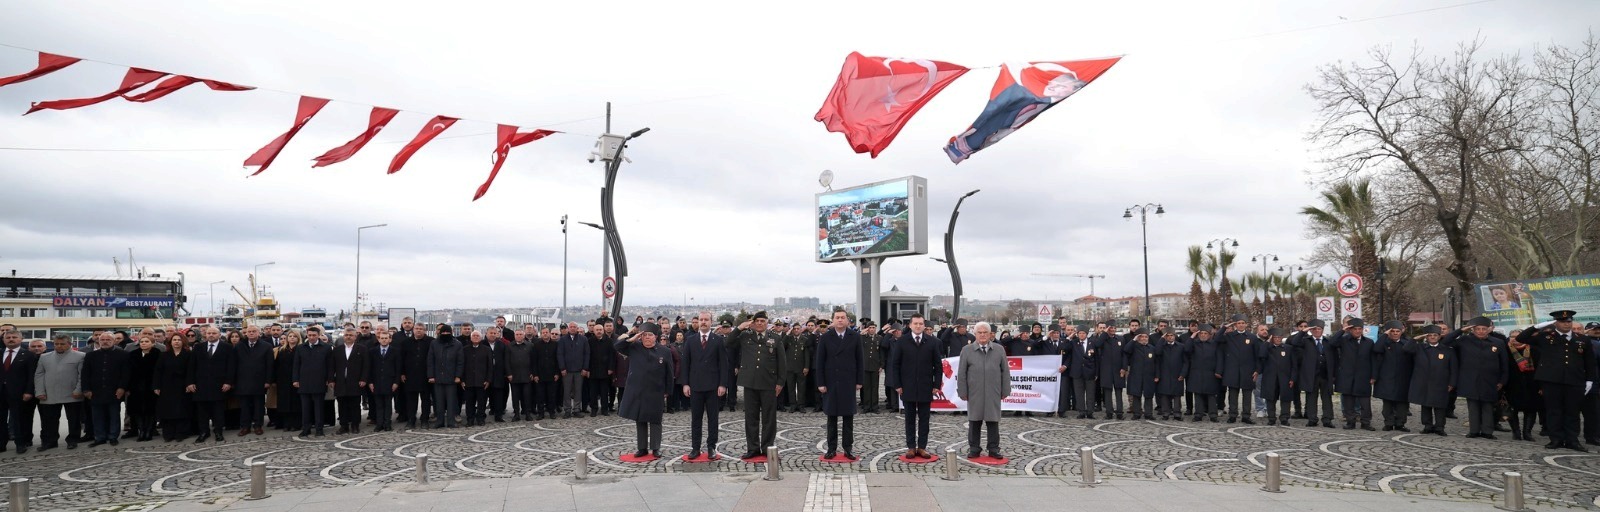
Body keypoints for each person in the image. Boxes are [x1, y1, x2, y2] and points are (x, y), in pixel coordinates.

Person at [1515, 310, 1596, 451]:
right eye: (1562, 322)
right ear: (1556, 323)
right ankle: (1556, 439)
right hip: (1551, 381)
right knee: (1554, 411)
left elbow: (1589, 362)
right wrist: (1538, 326)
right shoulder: (1545, 337)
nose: (1566, 324)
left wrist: (1590, 380)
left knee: (1573, 411)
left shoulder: (1582, 339)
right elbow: (1522, 338)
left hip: (1575, 381)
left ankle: (1572, 440)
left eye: (1568, 321)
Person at [727, 311, 787, 460]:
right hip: (750, 383)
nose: (760, 323)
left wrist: (780, 382)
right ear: (753, 323)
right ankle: (752, 448)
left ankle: (767, 447)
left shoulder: (775, 338)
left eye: (762, 321)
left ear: (767, 323)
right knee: (751, 418)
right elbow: (727, 343)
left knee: (769, 418)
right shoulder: (745, 336)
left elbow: (782, 362)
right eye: (757, 321)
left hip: (769, 383)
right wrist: (739, 327)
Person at [888, 312, 942, 458]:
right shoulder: (902, 341)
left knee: (924, 419)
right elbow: (895, 365)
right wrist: (897, 385)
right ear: (910, 325)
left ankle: (922, 447)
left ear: (924, 325)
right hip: (907, 386)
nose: (918, 326)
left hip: (926, 386)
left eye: (920, 323)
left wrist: (936, 384)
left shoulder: (933, 342)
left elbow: (938, 366)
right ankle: (911, 447)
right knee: (909, 419)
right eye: (915, 323)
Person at [616, 322, 674, 458]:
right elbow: (617, 346)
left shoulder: (664, 351)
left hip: (656, 390)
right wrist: (631, 338)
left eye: (650, 335)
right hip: (638, 390)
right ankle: (642, 448)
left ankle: (655, 448)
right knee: (640, 419)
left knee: (655, 420)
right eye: (645, 335)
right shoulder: (634, 347)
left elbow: (669, 373)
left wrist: (668, 390)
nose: (647, 338)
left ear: (656, 337)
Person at [815, 308, 866, 460]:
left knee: (848, 418)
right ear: (833, 320)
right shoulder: (826, 337)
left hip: (848, 381)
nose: (840, 320)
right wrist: (821, 383)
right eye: (837, 317)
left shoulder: (855, 337)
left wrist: (859, 381)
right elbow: (820, 362)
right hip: (831, 382)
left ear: (847, 320)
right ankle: (831, 448)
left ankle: (848, 448)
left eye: (843, 317)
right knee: (831, 418)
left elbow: (860, 360)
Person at [679, 311, 731, 460]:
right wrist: (685, 384)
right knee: (696, 419)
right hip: (695, 386)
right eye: (701, 319)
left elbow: (723, 364)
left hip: (713, 387)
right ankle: (695, 448)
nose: (703, 322)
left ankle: (711, 447)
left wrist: (723, 384)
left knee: (713, 419)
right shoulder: (690, 340)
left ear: (711, 322)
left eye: (706, 320)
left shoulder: (718, 340)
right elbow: (685, 364)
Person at [1448, 316, 1509, 439]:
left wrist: (1502, 381)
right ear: (1473, 330)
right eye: (1478, 329)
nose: (1481, 331)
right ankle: (1474, 431)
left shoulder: (1498, 343)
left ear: (1489, 329)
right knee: (1473, 406)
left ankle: (1487, 431)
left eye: (1484, 329)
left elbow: (1504, 364)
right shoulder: (1464, 340)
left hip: (1490, 380)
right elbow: (1446, 341)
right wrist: (1461, 330)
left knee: (1488, 406)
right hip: (1470, 379)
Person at [958, 322, 1010, 459]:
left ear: (990, 334)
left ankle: (993, 448)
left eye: (985, 332)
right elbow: (962, 372)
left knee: (993, 421)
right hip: (974, 392)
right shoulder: (967, 350)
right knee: (974, 421)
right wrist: (962, 391)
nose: (982, 335)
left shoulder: (999, 350)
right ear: (975, 334)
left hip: (994, 391)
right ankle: (974, 448)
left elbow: (1005, 371)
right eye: (979, 332)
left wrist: (1006, 389)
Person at [33, 334, 85, 451]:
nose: (59, 346)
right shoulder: (44, 357)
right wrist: (40, 391)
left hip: (72, 394)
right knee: (49, 420)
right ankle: (50, 441)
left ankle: (73, 440)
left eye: (62, 344)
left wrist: (78, 390)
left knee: (73, 419)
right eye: (56, 344)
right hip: (50, 394)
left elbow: (82, 375)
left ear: (70, 344)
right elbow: (39, 375)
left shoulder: (80, 356)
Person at [187, 326, 236, 443]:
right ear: (205, 335)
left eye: (214, 333)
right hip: (201, 385)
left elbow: (231, 367)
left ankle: (218, 431)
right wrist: (190, 382)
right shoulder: (198, 347)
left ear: (219, 335)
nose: (211, 335)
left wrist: (229, 382)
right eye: (209, 333)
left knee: (218, 411)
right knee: (202, 411)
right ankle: (204, 432)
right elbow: (191, 366)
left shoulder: (227, 347)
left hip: (219, 385)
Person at [1405, 325, 1456, 436]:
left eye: (1435, 335)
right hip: (1424, 381)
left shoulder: (1447, 350)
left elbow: (1453, 368)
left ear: (1439, 336)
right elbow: (1406, 349)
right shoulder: (1419, 348)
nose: (1432, 337)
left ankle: (1440, 427)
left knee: (1440, 406)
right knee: (1426, 405)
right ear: (1426, 337)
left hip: (1441, 382)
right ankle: (1427, 425)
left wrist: (1452, 382)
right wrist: (1415, 339)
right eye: (1430, 335)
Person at [82, 332, 130, 446]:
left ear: (113, 341)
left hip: (114, 390)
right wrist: (86, 389)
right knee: (97, 415)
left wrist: (122, 388)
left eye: (108, 339)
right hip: (95, 390)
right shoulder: (91, 356)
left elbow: (126, 373)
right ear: (98, 341)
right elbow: (85, 374)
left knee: (114, 414)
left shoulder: (123, 354)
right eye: (102, 339)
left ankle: (113, 436)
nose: (105, 341)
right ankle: (99, 437)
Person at [1328, 319, 1376, 431]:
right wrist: (1342, 331)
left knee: (1365, 403)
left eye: (1360, 329)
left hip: (1363, 376)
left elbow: (1373, 360)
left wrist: (1374, 376)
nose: (1358, 331)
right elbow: (1332, 342)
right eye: (1355, 329)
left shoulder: (1369, 342)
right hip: (1347, 376)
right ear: (1350, 330)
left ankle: (1366, 422)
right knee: (1348, 402)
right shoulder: (1344, 340)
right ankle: (1351, 422)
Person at [1217, 315, 1260, 424]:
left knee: (1247, 395)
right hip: (1232, 370)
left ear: (1246, 324)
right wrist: (1224, 328)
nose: (1241, 325)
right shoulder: (1229, 336)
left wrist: (1257, 370)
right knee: (1232, 395)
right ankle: (1232, 415)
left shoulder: (1252, 337)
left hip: (1247, 371)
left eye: (1243, 323)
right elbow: (1217, 338)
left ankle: (1246, 416)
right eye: (1238, 323)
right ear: (1235, 325)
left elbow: (1257, 355)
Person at [1371, 321, 1414, 432]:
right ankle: (1388, 423)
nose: (1395, 333)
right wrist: (1384, 335)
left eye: (1397, 331)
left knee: (1402, 404)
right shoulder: (1384, 344)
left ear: (1401, 332)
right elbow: (1376, 349)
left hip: (1403, 378)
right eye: (1392, 331)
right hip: (1387, 378)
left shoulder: (1406, 343)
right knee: (1388, 403)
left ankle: (1400, 423)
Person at [1292, 320, 1335, 428]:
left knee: (1327, 398)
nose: (1317, 331)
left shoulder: (1327, 341)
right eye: (1314, 329)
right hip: (1311, 375)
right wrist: (1303, 331)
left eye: (1319, 329)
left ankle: (1327, 419)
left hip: (1325, 374)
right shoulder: (1306, 341)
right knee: (1311, 397)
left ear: (1322, 330)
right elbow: (1294, 342)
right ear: (1311, 330)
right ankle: (1312, 419)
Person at [235, 325, 274, 437]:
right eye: (249, 331)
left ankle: (258, 426)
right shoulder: (239, 346)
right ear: (245, 333)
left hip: (259, 381)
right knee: (244, 406)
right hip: (243, 381)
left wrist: (268, 380)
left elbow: (269, 365)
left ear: (258, 333)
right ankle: (245, 427)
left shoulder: (266, 346)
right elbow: (234, 364)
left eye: (253, 331)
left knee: (259, 405)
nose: (251, 333)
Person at [1504, 331, 1543, 442]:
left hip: (1532, 385)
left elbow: (1541, 368)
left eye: (1518, 336)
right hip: (1511, 385)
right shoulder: (1505, 350)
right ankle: (1516, 432)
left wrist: (1541, 386)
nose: (1515, 339)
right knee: (1512, 410)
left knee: (1531, 410)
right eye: (1512, 337)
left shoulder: (1535, 350)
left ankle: (1527, 433)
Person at [155, 335, 194, 441]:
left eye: (179, 340)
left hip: (183, 386)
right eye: (174, 340)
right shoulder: (164, 355)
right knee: (168, 410)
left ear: (183, 342)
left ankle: (181, 432)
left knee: (182, 410)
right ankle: (168, 433)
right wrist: (157, 386)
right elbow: (158, 371)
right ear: (170, 342)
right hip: (167, 386)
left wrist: (189, 383)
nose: (176, 342)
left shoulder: (189, 354)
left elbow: (191, 370)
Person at [425, 324, 462, 429]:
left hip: (451, 377)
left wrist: (458, 376)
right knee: (438, 402)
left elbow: (460, 362)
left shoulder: (457, 344)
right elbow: (430, 360)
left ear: (451, 333)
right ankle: (439, 421)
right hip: (437, 377)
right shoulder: (434, 343)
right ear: (440, 333)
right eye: (443, 332)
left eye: (448, 332)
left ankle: (451, 421)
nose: (445, 334)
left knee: (451, 402)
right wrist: (431, 376)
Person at [1257, 328, 1296, 426]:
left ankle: (1284, 418)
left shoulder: (1288, 348)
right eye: (1275, 337)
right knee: (1270, 399)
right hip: (1270, 378)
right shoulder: (1267, 348)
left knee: (1286, 399)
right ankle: (1271, 418)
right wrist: (1267, 343)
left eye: (1279, 337)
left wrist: (1292, 378)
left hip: (1285, 378)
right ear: (1272, 338)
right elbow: (1261, 355)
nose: (1278, 339)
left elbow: (1294, 365)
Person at [126, 334, 161, 441]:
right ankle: (141, 431)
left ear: (153, 343)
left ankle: (149, 431)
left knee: (151, 411)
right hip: (136, 388)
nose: (144, 344)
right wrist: (127, 387)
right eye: (142, 342)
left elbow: (159, 372)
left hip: (151, 387)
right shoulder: (133, 354)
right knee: (137, 411)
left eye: (147, 342)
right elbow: (128, 372)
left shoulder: (158, 354)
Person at [368, 330, 403, 431]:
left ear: (390, 339)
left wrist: (396, 382)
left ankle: (387, 423)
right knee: (378, 404)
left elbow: (398, 368)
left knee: (388, 404)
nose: (384, 340)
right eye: (382, 338)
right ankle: (379, 424)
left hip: (390, 382)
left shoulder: (395, 351)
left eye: (386, 338)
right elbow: (369, 368)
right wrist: (370, 382)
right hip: (376, 382)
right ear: (378, 339)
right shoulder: (372, 351)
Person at [1185, 326, 1221, 422]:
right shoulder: (1194, 343)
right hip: (1196, 373)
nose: (1203, 335)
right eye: (1201, 333)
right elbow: (1186, 350)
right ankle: (1198, 414)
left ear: (1209, 335)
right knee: (1198, 395)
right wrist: (1192, 336)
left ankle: (1213, 415)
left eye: (1205, 333)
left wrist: (1218, 371)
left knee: (1211, 395)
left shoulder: (1214, 344)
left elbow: (1219, 359)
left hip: (1211, 373)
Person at [399, 323, 433, 428]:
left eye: (421, 329)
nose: (418, 330)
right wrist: (402, 373)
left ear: (425, 330)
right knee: (411, 400)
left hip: (426, 375)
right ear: (413, 330)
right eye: (417, 329)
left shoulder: (431, 341)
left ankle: (424, 420)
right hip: (410, 376)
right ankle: (411, 420)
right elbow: (401, 359)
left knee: (426, 400)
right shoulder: (405, 342)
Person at [1123, 329, 1160, 421]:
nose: (1144, 338)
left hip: (1149, 376)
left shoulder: (1152, 348)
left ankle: (1148, 413)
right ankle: (1137, 413)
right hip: (1136, 375)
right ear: (1138, 338)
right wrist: (1134, 339)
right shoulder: (1134, 347)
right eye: (1142, 337)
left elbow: (1156, 363)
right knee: (1136, 395)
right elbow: (1126, 350)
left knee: (1148, 395)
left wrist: (1157, 375)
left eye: (1146, 337)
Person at [556, 323, 589, 419]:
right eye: (571, 327)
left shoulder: (583, 339)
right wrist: (562, 368)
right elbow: (560, 354)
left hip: (579, 370)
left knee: (578, 391)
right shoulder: (562, 340)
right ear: (568, 328)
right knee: (566, 391)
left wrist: (585, 368)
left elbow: (587, 354)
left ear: (577, 328)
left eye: (575, 327)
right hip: (567, 371)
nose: (573, 329)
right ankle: (567, 410)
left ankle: (577, 409)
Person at [460, 330, 493, 426]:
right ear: (470, 337)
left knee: (482, 402)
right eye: (473, 335)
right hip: (468, 381)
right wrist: (461, 379)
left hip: (482, 381)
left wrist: (488, 380)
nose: (475, 337)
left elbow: (490, 366)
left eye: (477, 336)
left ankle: (480, 418)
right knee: (469, 402)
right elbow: (461, 365)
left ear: (481, 337)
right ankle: (470, 419)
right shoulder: (465, 349)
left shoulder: (486, 349)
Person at [271, 331, 301, 432]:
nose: (292, 338)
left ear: (298, 338)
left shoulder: (300, 349)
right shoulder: (281, 350)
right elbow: (276, 366)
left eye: (294, 336)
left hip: (296, 380)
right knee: (284, 403)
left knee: (295, 403)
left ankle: (296, 424)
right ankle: (286, 423)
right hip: (283, 381)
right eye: (290, 336)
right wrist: (274, 380)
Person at [1155, 328, 1187, 421]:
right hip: (1164, 373)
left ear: (1175, 336)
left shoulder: (1181, 346)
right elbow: (1157, 352)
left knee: (1177, 395)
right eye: (1168, 336)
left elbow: (1185, 362)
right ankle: (1166, 413)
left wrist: (1183, 373)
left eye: (1171, 335)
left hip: (1177, 374)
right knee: (1164, 395)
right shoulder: (1162, 346)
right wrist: (1161, 339)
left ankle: (1177, 413)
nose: (1170, 337)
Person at [504, 329, 535, 422]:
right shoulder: (509, 346)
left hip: (526, 375)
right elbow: (507, 361)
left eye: (520, 334)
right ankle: (516, 414)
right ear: (514, 336)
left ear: (524, 335)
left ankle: (527, 414)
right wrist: (509, 373)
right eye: (517, 334)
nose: (519, 336)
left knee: (527, 396)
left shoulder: (530, 345)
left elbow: (533, 360)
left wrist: (532, 373)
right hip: (514, 375)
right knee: (515, 396)